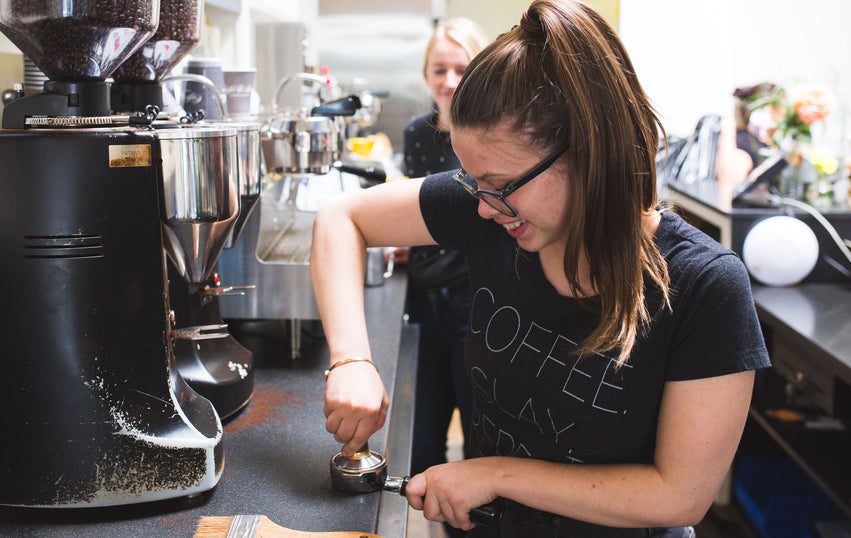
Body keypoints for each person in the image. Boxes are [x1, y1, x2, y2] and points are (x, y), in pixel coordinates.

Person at [311, 1, 770, 536]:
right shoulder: (492, 209)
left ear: (588, 152)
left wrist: (498, 475)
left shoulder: (704, 284)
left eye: (500, 185)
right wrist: (350, 360)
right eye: (472, 182)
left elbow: (679, 495)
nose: (482, 206)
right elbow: (341, 218)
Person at [400, 17, 489, 503]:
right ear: (425, 74)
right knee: (422, 445)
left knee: (480, 444)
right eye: (439, 69)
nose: (449, 81)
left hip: (475, 308)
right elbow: (428, 222)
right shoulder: (418, 133)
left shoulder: (496, 136)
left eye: (461, 68)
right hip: (422, 306)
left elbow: (485, 235)